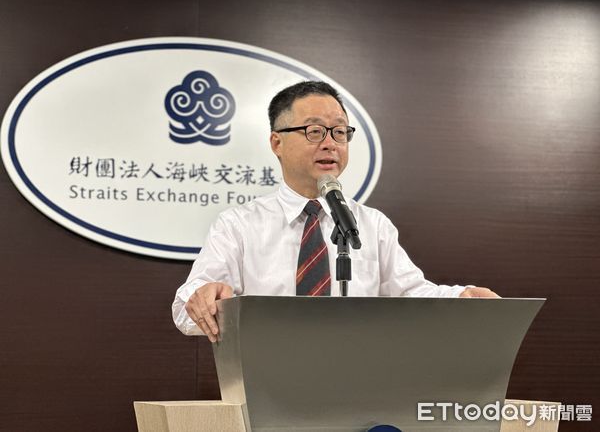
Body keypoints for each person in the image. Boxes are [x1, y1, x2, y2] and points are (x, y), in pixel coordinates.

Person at [172, 81, 498, 342]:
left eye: (340, 132)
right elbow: (184, 311)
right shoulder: (238, 225)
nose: (330, 143)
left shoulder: (372, 225)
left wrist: (461, 297)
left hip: (357, 384)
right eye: (314, 131)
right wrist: (202, 298)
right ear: (277, 143)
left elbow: (412, 293)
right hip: (266, 383)